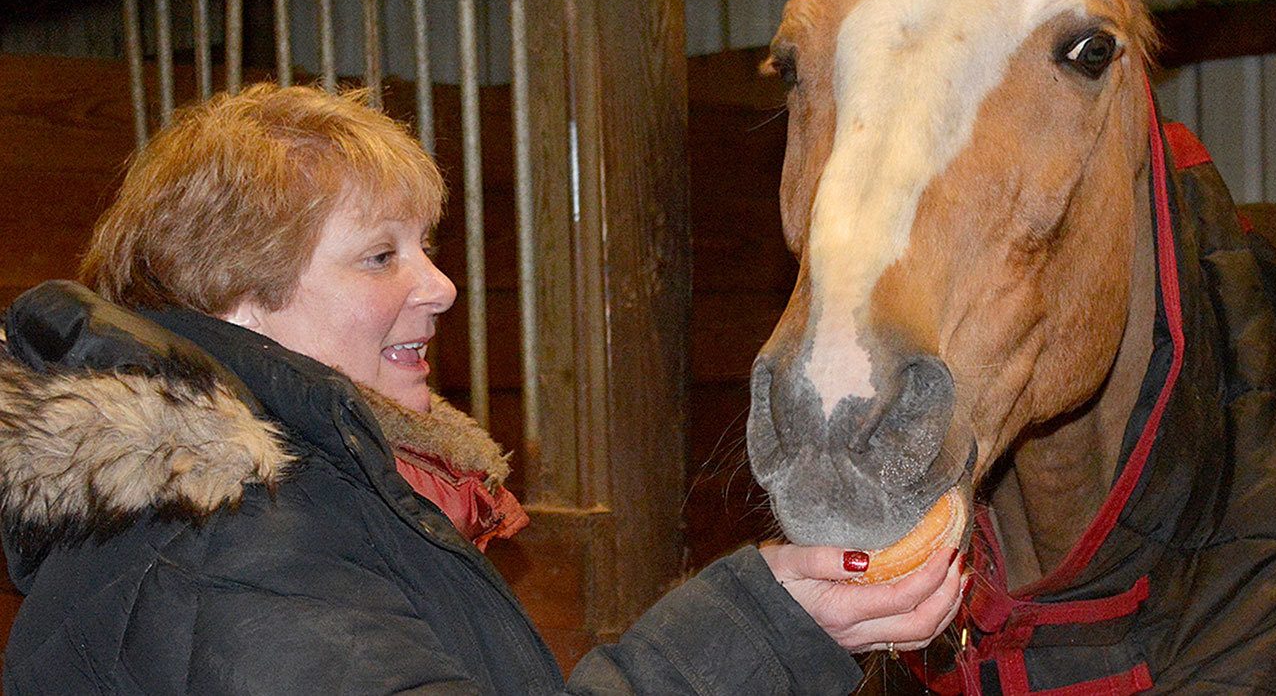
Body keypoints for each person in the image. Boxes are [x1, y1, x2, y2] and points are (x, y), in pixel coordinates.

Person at [0, 84, 963, 693]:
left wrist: (776, 615)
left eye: (427, 246)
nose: (442, 286)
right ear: (242, 301)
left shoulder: (313, 503)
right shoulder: (217, 551)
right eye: (381, 256)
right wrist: (754, 627)